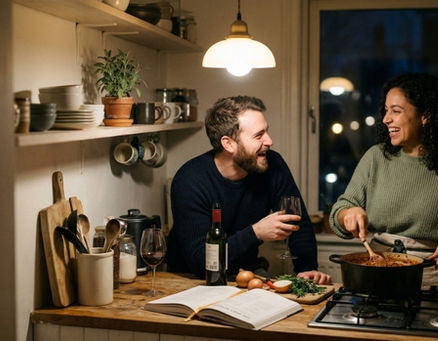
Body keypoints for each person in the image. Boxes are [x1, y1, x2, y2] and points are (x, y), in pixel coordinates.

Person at [165, 96, 331, 284]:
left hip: (247, 271)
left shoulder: (272, 164)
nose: (269, 141)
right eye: (258, 135)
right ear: (228, 144)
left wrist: (307, 269)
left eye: (266, 132)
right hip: (190, 277)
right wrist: (256, 233)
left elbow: (297, 222)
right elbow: (200, 261)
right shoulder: (190, 180)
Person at [329, 73, 438, 287]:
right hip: (376, 271)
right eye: (386, 110)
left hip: (429, 277)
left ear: (425, 115)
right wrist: (347, 214)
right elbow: (340, 211)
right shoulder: (376, 156)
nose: (386, 118)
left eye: (396, 111)